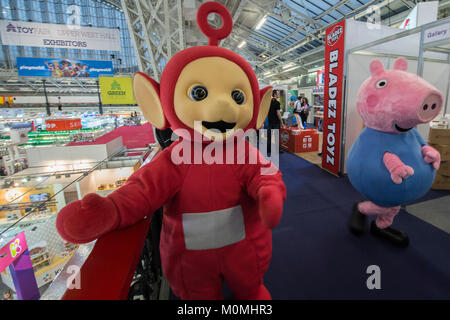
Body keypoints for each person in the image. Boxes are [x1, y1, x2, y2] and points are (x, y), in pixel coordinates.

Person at [267, 89, 284, 156]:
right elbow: (278, 113)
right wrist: (282, 122)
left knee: (269, 136)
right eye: (278, 93)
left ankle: (268, 149)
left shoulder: (269, 102)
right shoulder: (277, 103)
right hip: (276, 122)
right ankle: (277, 149)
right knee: (276, 136)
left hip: (270, 121)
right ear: (275, 94)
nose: (279, 94)